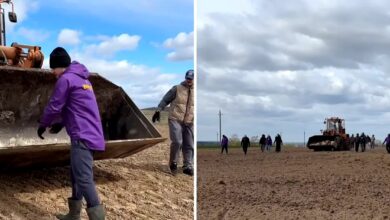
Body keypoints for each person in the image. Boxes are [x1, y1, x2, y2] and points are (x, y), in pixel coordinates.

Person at [37, 47, 105, 220]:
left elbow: (55, 105)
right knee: (76, 174)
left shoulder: (65, 79)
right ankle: (74, 214)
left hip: (82, 135)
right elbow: (77, 108)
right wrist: (61, 123)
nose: (53, 72)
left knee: (83, 178)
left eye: (53, 68)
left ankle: (97, 216)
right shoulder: (84, 81)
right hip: (91, 133)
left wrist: (43, 124)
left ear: (60, 66)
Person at [152, 70, 194, 176]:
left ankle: (187, 165)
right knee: (177, 141)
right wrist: (158, 110)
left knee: (189, 144)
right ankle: (173, 162)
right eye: (187, 78)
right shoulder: (177, 88)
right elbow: (165, 100)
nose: (189, 80)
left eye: (191, 78)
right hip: (175, 118)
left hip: (190, 121)